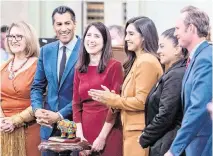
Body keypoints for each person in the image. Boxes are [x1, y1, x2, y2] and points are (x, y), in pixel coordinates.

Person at [88, 16, 163, 156]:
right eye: (126, 34)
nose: (126, 38)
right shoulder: (137, 61)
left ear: (144, 37)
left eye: (131, 34)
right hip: (131, 130)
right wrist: (113, 99)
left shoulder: (146, 61)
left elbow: (141, 102)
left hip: (139, 132)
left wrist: (112, 99)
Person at [165, 6, 212, 156]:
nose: (175, 33)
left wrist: (174, 150)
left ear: (191, 28)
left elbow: (198, 107)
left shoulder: (205, 58)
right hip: (196, 141)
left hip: (204, 143)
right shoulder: (197, 57)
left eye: (178, 28)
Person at [31, 6, 81, 142]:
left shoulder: (85, 50)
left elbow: (84, 93)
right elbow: (37, 87)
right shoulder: (46, 51)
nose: (63, 28)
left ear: (74, 24)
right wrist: (37, 110)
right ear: (54, 26)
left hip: (75, 126)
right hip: (48, 127)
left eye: (67, 23)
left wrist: (59, 115)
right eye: (59, 24)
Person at [73, 22, 123, 156]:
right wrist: (80, 138)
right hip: (84, 132)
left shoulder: (115, 66)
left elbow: (115, 106)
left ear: (105, 41)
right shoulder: (79, 68)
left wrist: (102, 137)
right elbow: (76, 104)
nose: (91, 40)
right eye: (88, 35)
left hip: (108, 132)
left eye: (97, 36)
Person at [139, 28, 188, 156]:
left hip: (168, 143)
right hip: (164, 140)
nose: (158, 51)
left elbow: (166, 114)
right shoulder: (172, 72)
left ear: (177, 49)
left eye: (162, 47)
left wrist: (146, 135)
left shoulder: (176, 75)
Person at [0, 21, 40, 156]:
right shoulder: (3, 66)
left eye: (19, 36)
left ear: (29, 39)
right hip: (3, 130)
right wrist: (2, 120)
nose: (14, 40)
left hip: (29, 130)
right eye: (11, 36)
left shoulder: (38, 65)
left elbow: (40, 100)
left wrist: (15, 121)